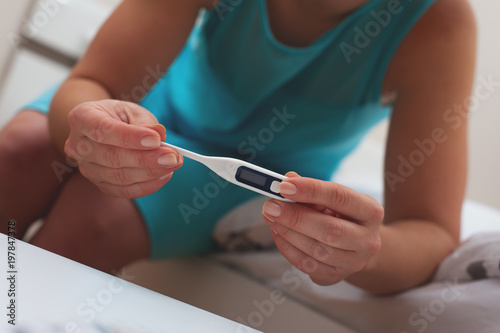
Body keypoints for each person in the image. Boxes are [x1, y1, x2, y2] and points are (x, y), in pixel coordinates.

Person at [0, 0, 476, 294]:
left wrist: (365, 253)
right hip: (152, 108)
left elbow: (431, 231)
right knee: (16, 152)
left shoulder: (439, 27)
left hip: (255, 175)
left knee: (97, 214)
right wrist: (88, 130)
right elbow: (94, 81)